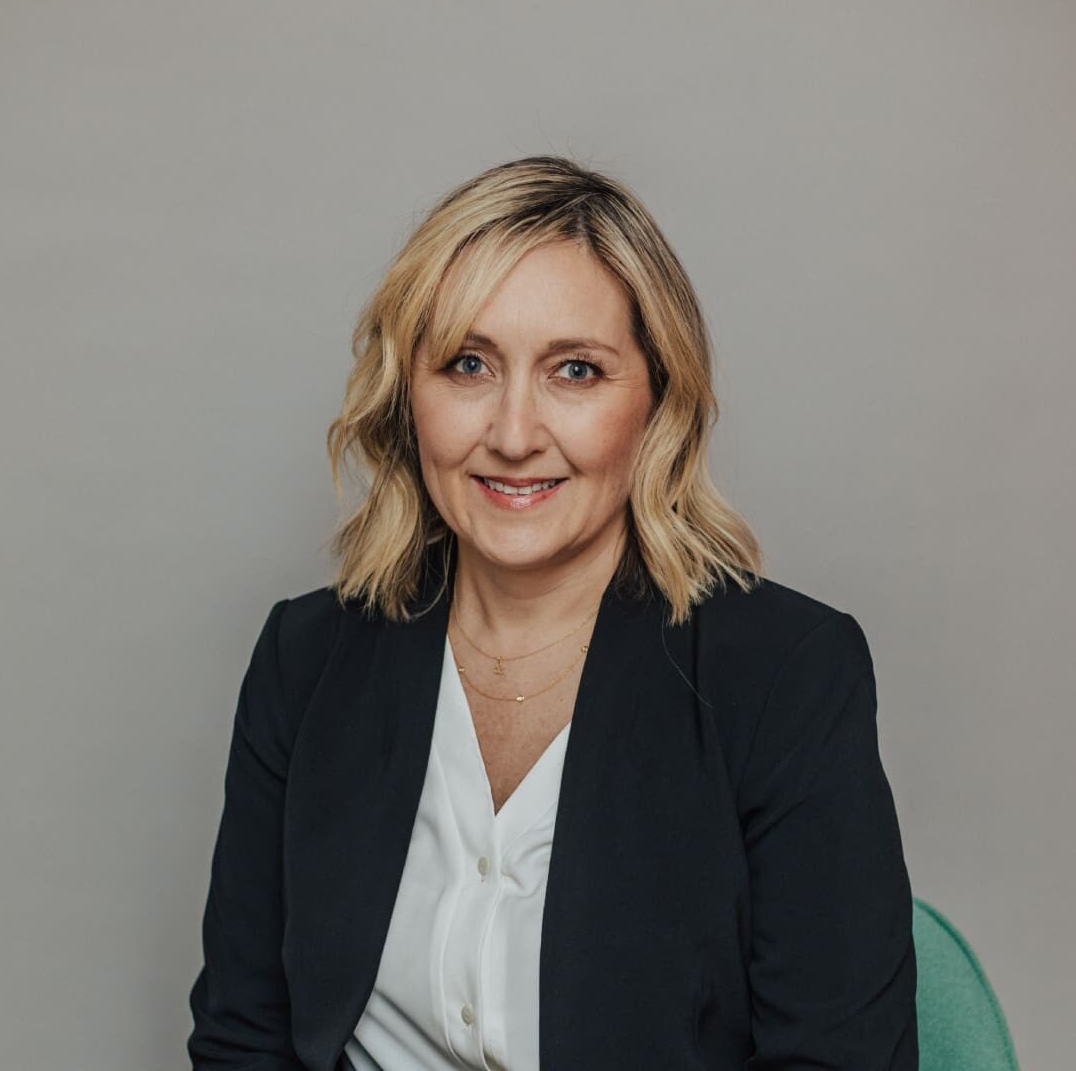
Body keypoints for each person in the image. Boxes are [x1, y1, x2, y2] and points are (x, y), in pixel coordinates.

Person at [187, 155, 918, 1070]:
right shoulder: (306, 660)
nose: (515, 433)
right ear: (408, 396)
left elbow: (838, 1058)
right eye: (467, 365)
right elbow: (243, 1036)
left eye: (575, 370)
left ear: (657, 401)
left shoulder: (785, 674)